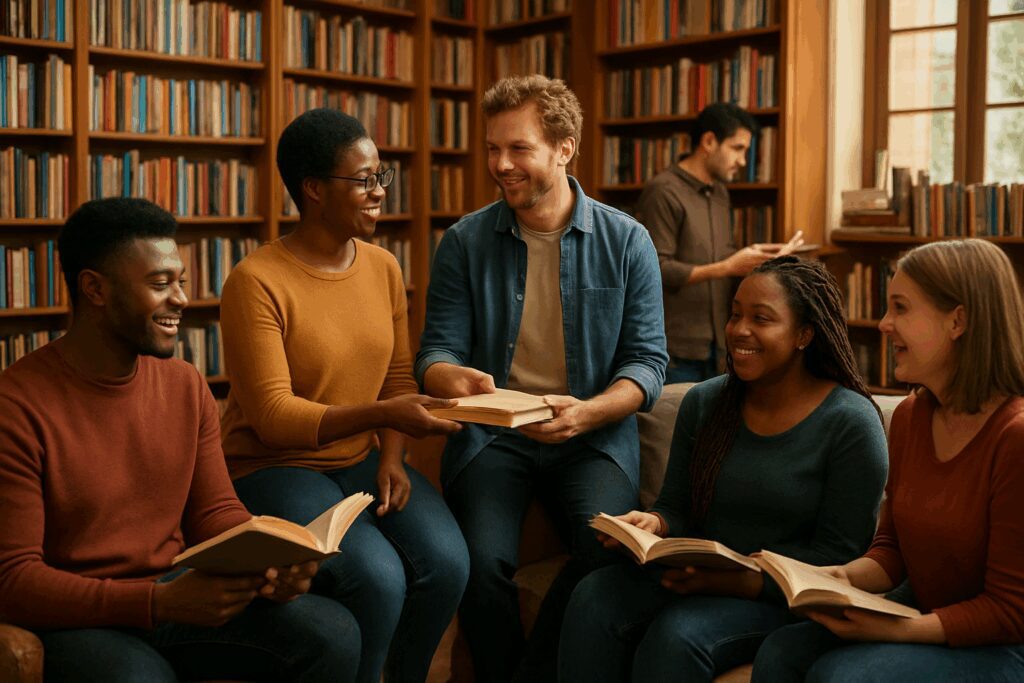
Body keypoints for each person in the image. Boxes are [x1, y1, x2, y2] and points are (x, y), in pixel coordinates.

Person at [0, 197, 358, 682]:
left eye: (181, 281)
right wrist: (156, 600)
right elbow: (14, 580)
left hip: (173, 595)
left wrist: (269, 561)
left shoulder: (185, 384)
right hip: (76, 615)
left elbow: (214, 512)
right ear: (94, 289)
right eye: (159, 284)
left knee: (333, 632)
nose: (181, 299)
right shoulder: (16, 405)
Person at [416, 75, 669, 682]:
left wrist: (590, 412)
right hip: (493, 435)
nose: (501, 164)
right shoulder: (464, 241)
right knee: (476, 562)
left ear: (564, 148)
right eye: (492, 148)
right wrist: (455, 378)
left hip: (594, 432)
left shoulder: (627, 240)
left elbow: (648, 362)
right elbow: (434, 353)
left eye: (519, 148)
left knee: (608, 553)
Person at [218, 108, 469, 683]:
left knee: (449, 564)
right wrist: (385, 417)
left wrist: (390, 455)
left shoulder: (382, 267)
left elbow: (398, 377)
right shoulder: (255, 282)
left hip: (359, 459)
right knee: (378, 576)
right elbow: (276, 418)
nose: (379, 191)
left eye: (382, 176)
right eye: (364, 180)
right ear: (313, 189)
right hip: (273, 466)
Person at [558, 256, 889, 682]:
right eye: (735, 315)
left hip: (781, 598)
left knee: (678, 636)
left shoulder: (851, 423)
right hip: (696, 576)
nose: (739, 331)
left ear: (804, 334)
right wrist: (655, 523)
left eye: (761, 318)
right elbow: (677, 507)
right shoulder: (706, 402)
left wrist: (740, 581)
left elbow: (840, 556)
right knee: (593, 596)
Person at [752, 239, 1024, 682]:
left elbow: (1011, 611)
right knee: (782, 649)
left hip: (1006, 647)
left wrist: (900, 629)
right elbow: (893, 549)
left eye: (900, 308)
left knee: (844, 676)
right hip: (928, 612)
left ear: (959, 321)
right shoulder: (912, 416)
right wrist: (838, 577)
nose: (883, 324)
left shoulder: (1015, 437)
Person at [634, 102, 803, 384]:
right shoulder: (663, 191)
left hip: (720, 346)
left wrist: (759, 259)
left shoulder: (720, 192)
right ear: (709, 141)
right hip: (676, 350)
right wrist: (727, 266)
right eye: (738, 148)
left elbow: (721, 257)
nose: (743, 161)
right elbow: (656, 269)